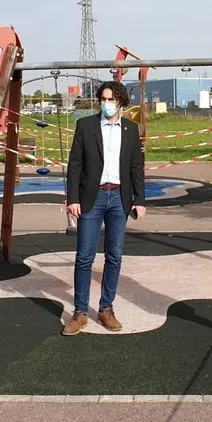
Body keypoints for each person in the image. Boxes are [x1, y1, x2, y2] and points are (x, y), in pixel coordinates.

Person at [62, 80, 146, 336]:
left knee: (115, 256)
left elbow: (136, 166)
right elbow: (74, 165)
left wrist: (139, 199)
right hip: (92, 198)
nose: (107, 104)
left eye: (111, 100)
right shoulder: (85, 126)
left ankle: (106, 308)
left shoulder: (131, 129)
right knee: (85, 256)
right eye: (103, 99)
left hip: (119, 199)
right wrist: (72, 198)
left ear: (121, 102)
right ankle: (79, 313)